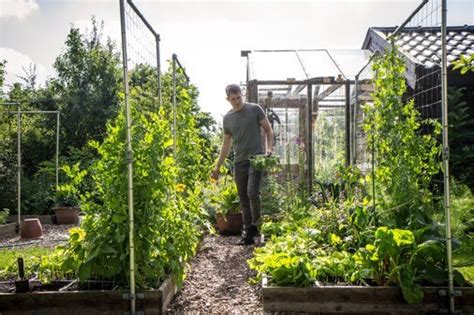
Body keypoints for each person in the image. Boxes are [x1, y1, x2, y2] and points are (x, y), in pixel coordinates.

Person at [211, 84, 274, 245]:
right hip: (239, 162)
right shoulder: (228, 118)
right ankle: (248, 235)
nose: (237, 101)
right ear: (228, 99)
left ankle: (256, 226)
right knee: (243, 199)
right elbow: (226, 145)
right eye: (233, 99)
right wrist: (218, 166)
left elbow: (268, 129)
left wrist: (268, 149)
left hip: (256, 158)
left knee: (252, 192)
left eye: (239, 97)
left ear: (242, 95)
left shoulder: (255, 109)